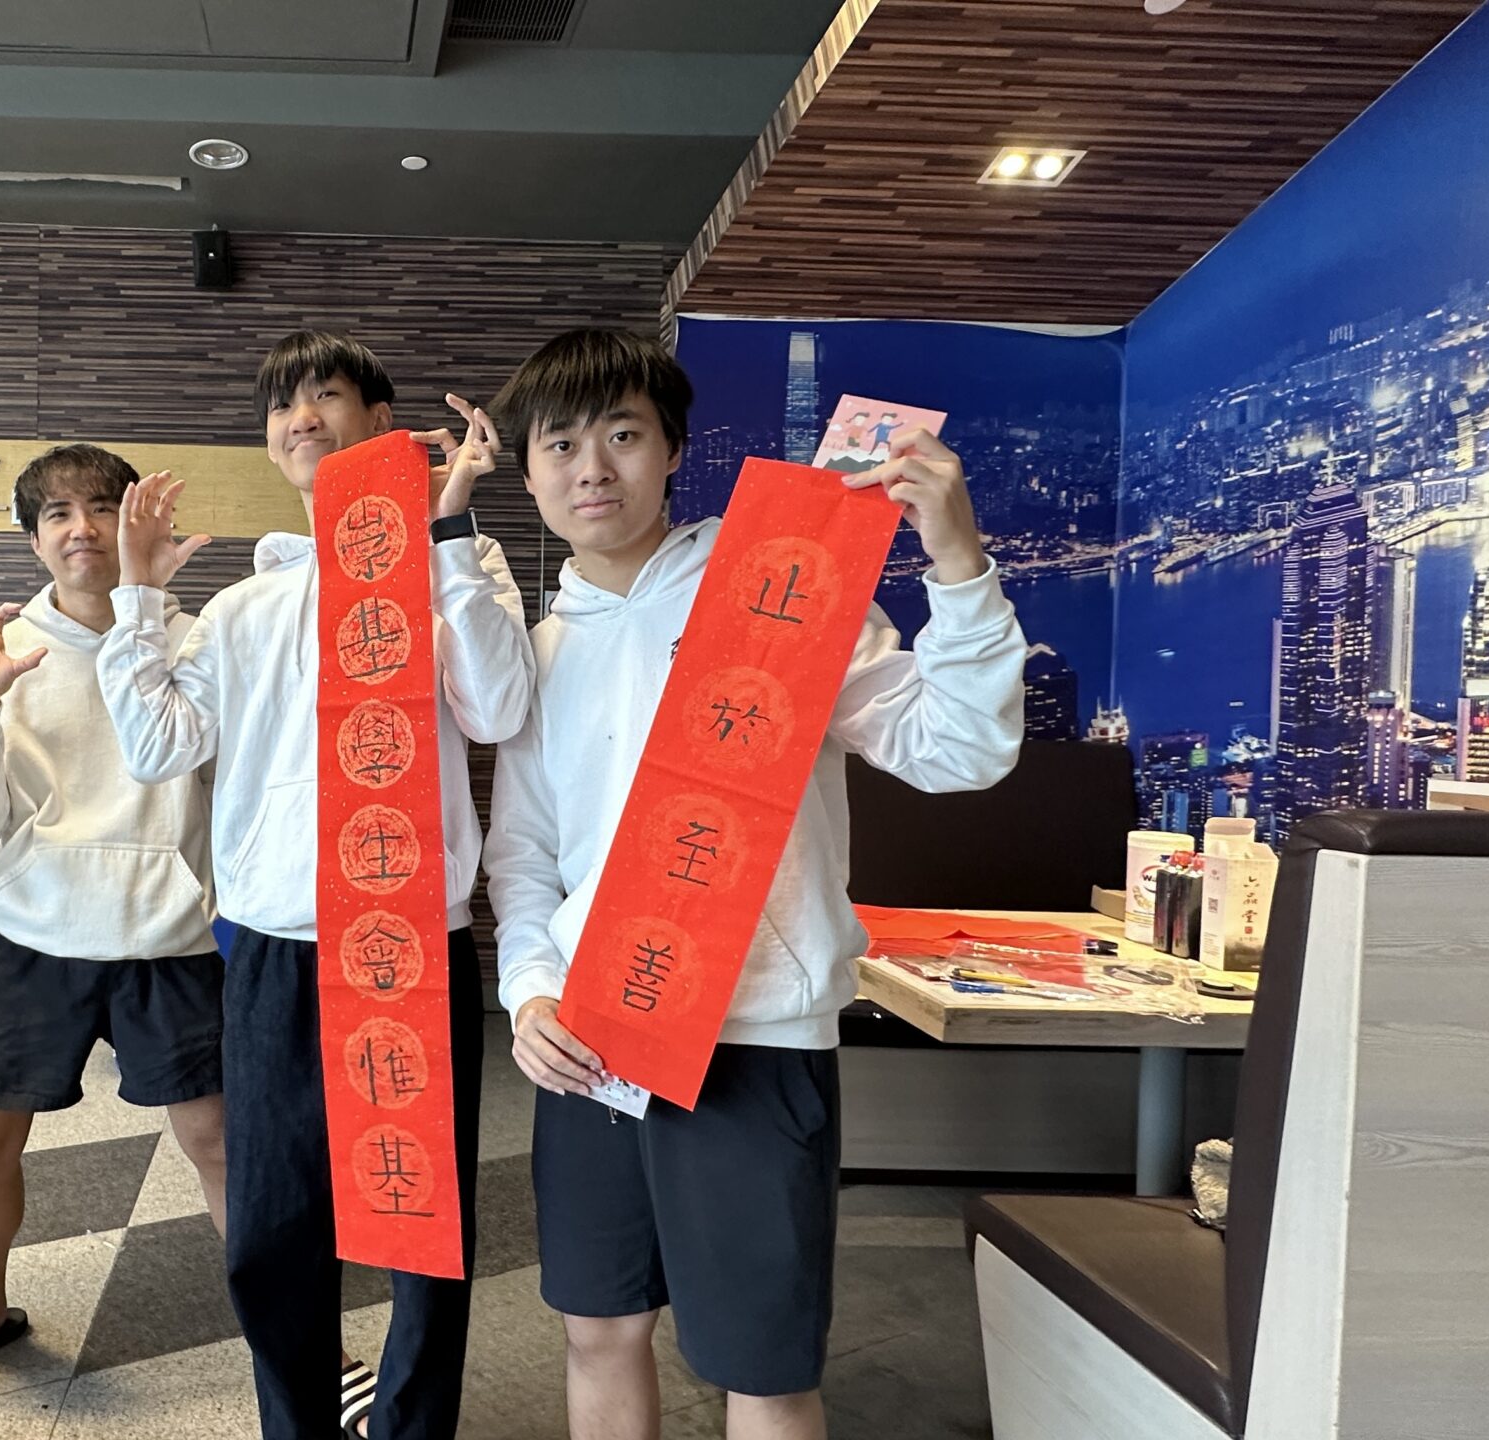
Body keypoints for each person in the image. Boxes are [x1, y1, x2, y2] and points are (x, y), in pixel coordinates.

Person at [483, 329, 1026, 1440]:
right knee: (598, 1326)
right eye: (563, 443)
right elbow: (524, 857)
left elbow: (961, 749)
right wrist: (529, 991)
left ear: (672, 446)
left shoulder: (773, 591)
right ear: (530, 472)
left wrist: (958, 564)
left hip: (756, 1033)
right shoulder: (533, 655)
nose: (594, 467)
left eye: (623, 434)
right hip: (593, 1033)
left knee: (761, 1363)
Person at [97, 330, 534, 1439]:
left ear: (379, 424)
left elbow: (497, 709)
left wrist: (447, 531)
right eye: (284, 406)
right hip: (276, 945)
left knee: (420, 1228)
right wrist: (139, 602)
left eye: (327, 397)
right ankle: (293, 1421)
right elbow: (157, 748)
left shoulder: (454, 566)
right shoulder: (244, 607)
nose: (303, 418)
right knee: (273, 1225)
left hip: (409, 931)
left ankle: (410, 1426)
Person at [0, 443, 231, 1395]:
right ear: (35, 540)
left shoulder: (195, 640)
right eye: (57, 515)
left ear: (136, 520)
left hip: (171, 937)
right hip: (32, 936)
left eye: (101, 507)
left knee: (221, 1143)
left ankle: (296, 1334)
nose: (82, 529)